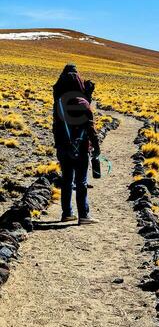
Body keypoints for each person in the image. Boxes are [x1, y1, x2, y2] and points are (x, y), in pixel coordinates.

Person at [52, 73, 97, 223]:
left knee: (66, 180)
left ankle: (67, 213)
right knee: (81, 182)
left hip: (64, 148)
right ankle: (83, 215)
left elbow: (56, 128)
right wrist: (95, 147)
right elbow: (90, 128)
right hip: (82, 148)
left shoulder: (59, 103)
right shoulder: (83, 103)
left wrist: (59, 146)